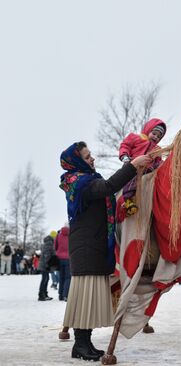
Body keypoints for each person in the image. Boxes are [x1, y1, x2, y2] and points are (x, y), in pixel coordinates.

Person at [59, 141, 151, 361]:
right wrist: (132, 166)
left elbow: (108, 191)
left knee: (88, 299)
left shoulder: (89, 180)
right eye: (87, 156)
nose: (92, 159)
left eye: (91, 155)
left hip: (93, 246)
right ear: (77, 160)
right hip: (87, 248)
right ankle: (80, 345)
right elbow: (109, 187)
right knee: (84, 298)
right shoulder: (79, 183)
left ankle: (84, 343)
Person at [118, 118, 166, 216]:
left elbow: (158, 161)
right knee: (132, 179)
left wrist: (162, 164)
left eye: (159, 136)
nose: (156, 137)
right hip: (133, 165)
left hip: (148, 169)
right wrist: (125, 156)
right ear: (148, 130)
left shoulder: (157, 149)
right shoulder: (135, 138)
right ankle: (127, 200)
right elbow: (125, 146)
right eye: (154, 133)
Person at [55, 224, 71, 301]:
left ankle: (60, 295)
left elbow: (55, 246)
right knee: (68, 277)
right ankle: (66, 295)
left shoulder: (58, 235)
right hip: (68, 258)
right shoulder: (71, 235)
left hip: (59, 258)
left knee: (61, 277)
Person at [38, 234, 55, 301]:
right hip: (45, 265)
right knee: (44, 279)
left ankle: (44, 294)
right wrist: (48, 264)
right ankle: (41, 295)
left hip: (45, 265)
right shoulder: (49, 244)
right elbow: (47, 255)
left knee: (46, 279)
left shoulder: (47, 244)